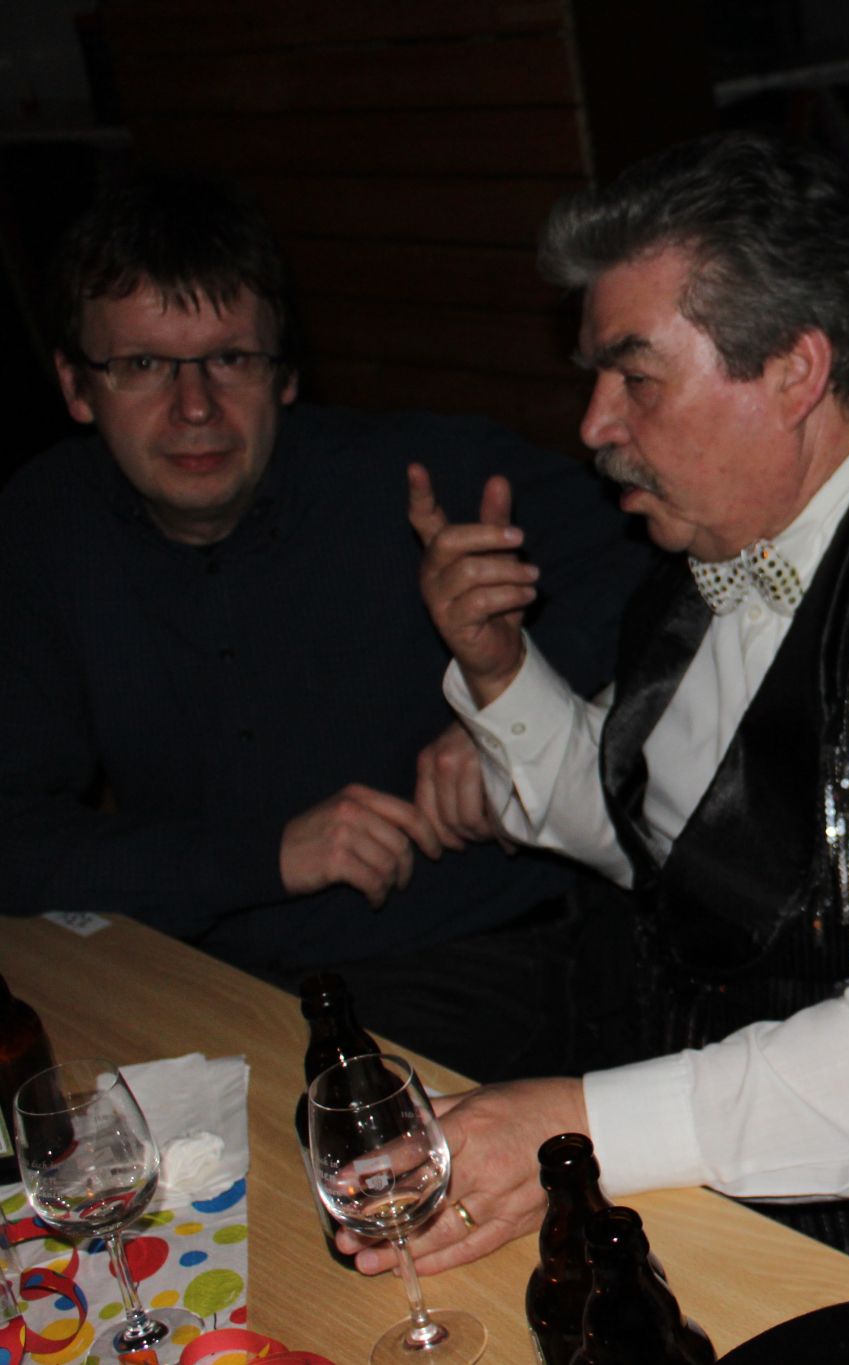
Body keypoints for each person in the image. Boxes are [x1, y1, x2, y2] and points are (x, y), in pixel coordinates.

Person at [364, 131, 849, 1292]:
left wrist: (580, 1124)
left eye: (634, 376)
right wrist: (500, 668)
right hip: (684, 1166)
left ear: (795, 372)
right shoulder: (704, 560)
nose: (593, 424)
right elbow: (657, 842)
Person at [0, 173, 648, 1083]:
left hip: (473, 958)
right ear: (76, 385)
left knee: (326, 1140)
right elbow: (15, 838)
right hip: (199, 964)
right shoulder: (45, 525)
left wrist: (508, 713)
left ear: (286, 375)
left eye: (231, 359)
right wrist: (265, 856)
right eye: (142, 365)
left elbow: (660, 560)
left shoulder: (416, 472)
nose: (195, 406)